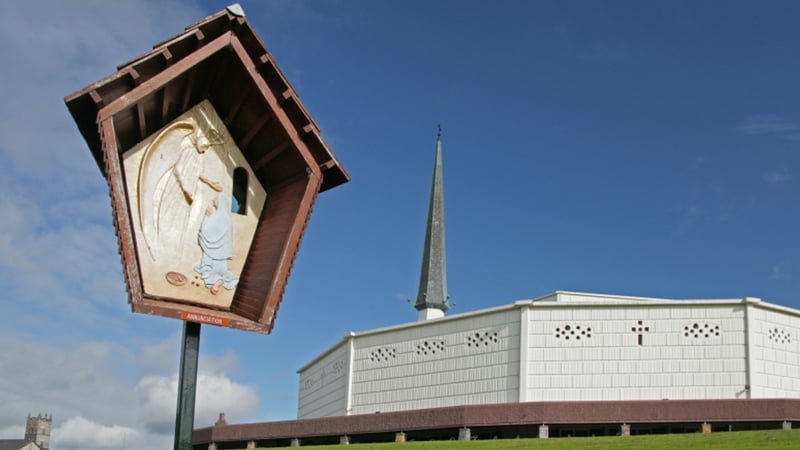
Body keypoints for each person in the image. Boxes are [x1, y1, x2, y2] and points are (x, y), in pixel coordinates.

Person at [195, 195, 238, 294]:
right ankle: (228, 281)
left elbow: (205, 230)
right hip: (222, 252)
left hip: (211, 249)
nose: (213, 200)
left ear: (220, 201)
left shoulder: (217, 216)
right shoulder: (227, 219)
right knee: (222, 270)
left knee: (206, 268)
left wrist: (206, 216)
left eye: (215, 199)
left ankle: (218, 281)